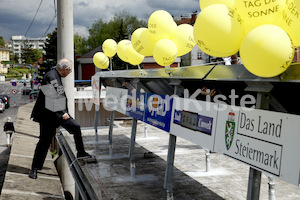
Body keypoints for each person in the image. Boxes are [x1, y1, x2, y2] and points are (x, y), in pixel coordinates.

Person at [29, 58, 92, 179]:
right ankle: (34, 169)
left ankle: (81, 152)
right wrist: (62, 112)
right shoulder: (50, 76)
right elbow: (51, 97)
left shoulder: (55, 75)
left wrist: (64, 111)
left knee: (75, 128)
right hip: (48, 116)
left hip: (57, 114)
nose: (69, 73)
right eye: (69, 71)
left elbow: (59, 95)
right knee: (44, 142)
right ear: (65, 69)